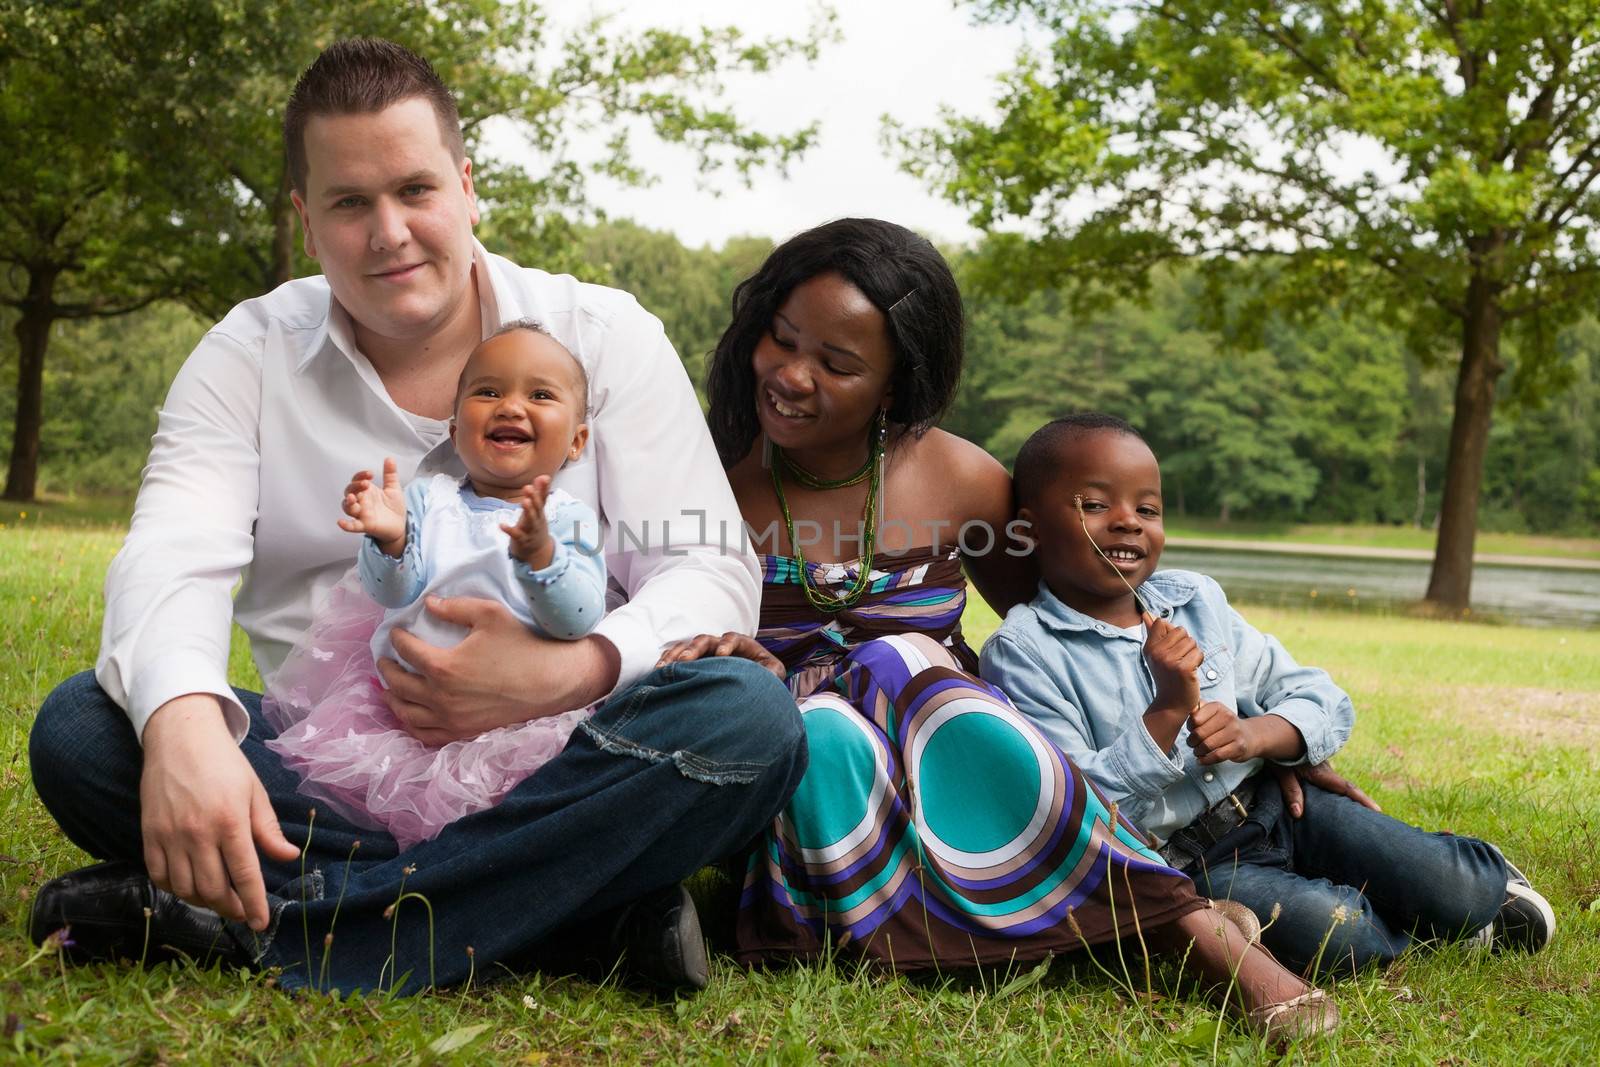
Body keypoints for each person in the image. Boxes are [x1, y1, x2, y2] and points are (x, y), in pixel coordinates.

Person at [27, 38, 805, 996]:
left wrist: (566, 669)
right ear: (307, 220)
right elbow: (173, 551)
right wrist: (184, 726)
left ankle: (276, 924)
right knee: (83, 730)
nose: (389, 232)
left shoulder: (603, 335)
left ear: (467, 187)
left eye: (415, 190)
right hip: (335, 766)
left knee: (750, 720)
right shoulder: (248, 351)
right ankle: (575, 918)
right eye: (350, 203)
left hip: (566, 757)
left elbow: (708, 564)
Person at [659, 219, 1337, 1040]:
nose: (792, 375)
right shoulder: (702, 474)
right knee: (845, 707)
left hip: (947, 755)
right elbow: (659, 640)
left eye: (837, 364)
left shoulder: (966, 478)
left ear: (895, 383)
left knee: (911, 663)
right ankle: (1163, 922)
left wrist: (1277, 734)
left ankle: (1183, 928)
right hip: (803, 764)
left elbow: (1081, 624)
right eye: (782, 339)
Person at [980, 413, 1557, 976]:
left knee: (1448, 882)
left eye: (1148, 509)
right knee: (1342, 931)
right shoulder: (1024, 652)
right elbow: (1073, 815)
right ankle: (1416, 924)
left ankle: (1464, 885)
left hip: (1280, 806)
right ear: (1029, 530)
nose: (1129, 522)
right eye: (1096, 505)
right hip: (1191, 865)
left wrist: (1259, 735)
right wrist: (1165, 713)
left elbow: (1318, 696)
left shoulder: (1196, 602)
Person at [262, 319, 606, 849]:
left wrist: (542, 559)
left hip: (518, 730)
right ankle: (383, 869)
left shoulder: (567, 520)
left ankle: (463, 874)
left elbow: (579, 620)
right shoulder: (430, 500)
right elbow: (391, 594)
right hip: (402, 721)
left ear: (577, 440)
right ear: (454, 429)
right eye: (488, 391)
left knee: (523, 819)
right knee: (356, 805)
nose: (510, 406)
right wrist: (391, 540)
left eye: (540, 394)